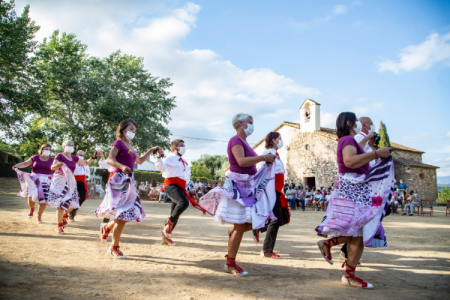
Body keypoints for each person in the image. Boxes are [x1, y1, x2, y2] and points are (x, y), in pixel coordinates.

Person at [315, 112, 393, 289]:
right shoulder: (347, 140)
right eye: (356, 121)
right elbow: (350, 160)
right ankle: (347, 273)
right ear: (350, 122)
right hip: (353, 188)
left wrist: (368, 141)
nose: (359, 124)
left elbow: (356, 148)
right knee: (359, 232)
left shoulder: (348, 141)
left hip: (353, 187)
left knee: (358, 233)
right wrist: (376, 153)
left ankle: (337, 256)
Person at [198, 113, 276, 276]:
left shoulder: (244, 142)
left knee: (253, 221)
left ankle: (233, 242)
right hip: (239, 186)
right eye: (250, 122)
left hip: (246, 186)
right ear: (240, 123)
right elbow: (240, 161)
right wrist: (263, 157)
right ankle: (230, 263)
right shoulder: (236, 140)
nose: (252, 125)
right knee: (244, 224)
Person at [93, 119, 160, 258]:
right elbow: (110, 159)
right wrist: (122, 167)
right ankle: (114, 247)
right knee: (121, 215)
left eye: (135, 130)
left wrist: (151, 150)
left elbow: (140, 161)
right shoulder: (118, 143)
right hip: (118, 180)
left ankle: (107, 227)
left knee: (125, 214)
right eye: (131, 129)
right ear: (123, 130)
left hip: (129, 181)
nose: (133, 132)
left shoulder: (130, 145)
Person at [156, 139, 206, 246]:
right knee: (183, 203)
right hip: (171, 185)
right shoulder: (170, 158)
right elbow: (162, 168)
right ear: (175, 148)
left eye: (184, 145)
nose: (184, 147)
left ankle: (166, 237)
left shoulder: (185, 162)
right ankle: (169, 223)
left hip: (181, 187)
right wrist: (159, 157)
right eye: (181, 145)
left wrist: (184, 185)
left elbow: (187, 177)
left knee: (175, 213)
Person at [47, 141, 96, 234]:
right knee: (61, 205)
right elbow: (52, 167)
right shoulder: (60, 156)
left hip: (70, 181)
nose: (70, 146)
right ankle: (59, 226)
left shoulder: (74, 158)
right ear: (64, 146)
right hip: (60, 181)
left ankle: (65, 215)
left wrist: (93, 157)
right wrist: (58, 165)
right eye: (68, 145)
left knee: (72, 203)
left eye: (72, 145)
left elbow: (86, 163)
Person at [258, 131, 290, 259]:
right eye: (279, 138)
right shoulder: (269, 153)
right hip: (272, 191)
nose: (281, 140)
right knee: (275, 219)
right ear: (273, 140)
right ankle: (266, 250)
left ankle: (267, 248)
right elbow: (262, 170)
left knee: (275, 219)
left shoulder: (275, 154)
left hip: (276, 191)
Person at [13, 143, 54, 223]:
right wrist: (16, 166)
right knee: (31, 196)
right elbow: (25, 163)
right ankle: (31, 209)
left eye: (49, 149)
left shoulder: (52, 160)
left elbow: (56, 167)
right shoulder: (35, 157)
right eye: (45, 149)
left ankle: (39, 216)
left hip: (47, 180)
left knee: (44, 199)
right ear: (41, 150)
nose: (47, 151)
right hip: (34, 179)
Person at [69, 149, 97, 222]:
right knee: (73, 197)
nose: (82, 156)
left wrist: (86, 177)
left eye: (83, 155)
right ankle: (70, 214)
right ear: (77, 155)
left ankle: (74, 209)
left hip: (82, 181)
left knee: (82, 197)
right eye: (80, 155)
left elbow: (88, 172)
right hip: (73, 181)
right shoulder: (73, 162)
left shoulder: (85, 163)